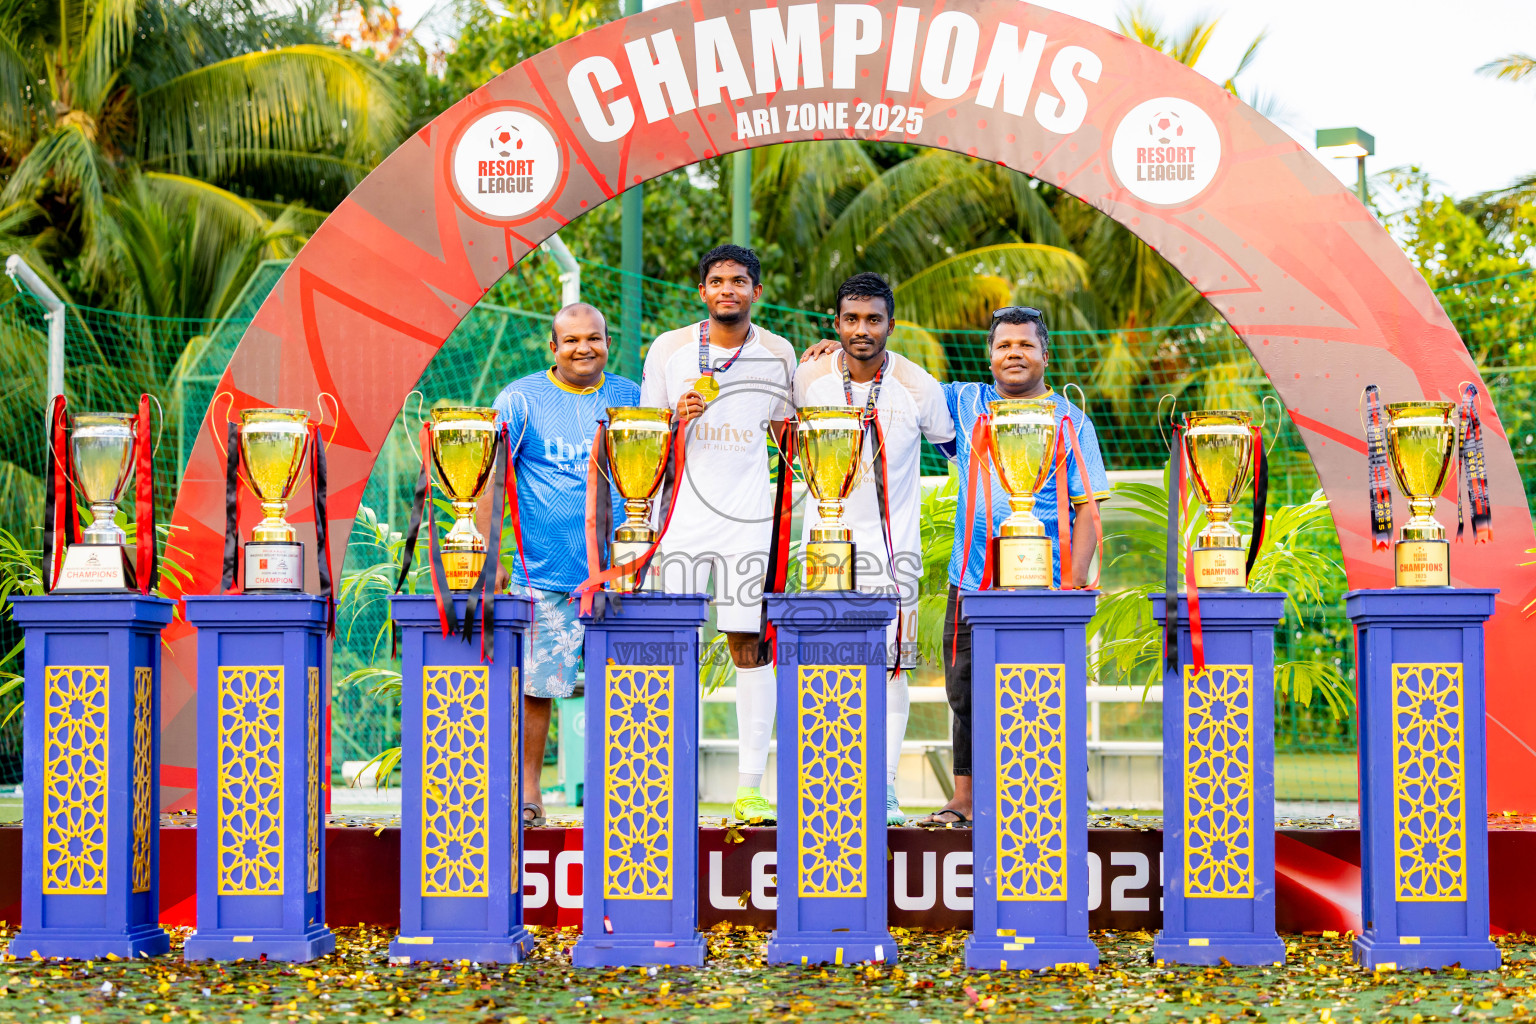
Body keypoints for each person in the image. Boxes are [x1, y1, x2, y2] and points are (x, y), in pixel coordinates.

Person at [929, 306, 1110, 825]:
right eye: (1004, 345)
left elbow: (1088, 511)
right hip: (972, 575)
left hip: (1045, 585)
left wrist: (1073, 587)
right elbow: (899, 379)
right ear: (989, 356)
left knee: (1049, 685)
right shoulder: (965, 402)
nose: (1014, 354)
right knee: (963, 687)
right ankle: (964, 800)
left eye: (1025, 345)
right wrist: (835, 355)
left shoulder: (1071, 420)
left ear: (1045, 356)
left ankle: (1059, 796)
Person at [639, 244, 796, 824]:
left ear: (757, 290)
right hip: (676, 519)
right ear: (701, 291)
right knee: (665, 646)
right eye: (716, 280)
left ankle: (750, 787)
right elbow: (646, 435)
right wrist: (675, 417)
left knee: (746, 648)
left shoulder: (779, 352)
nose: (727, 289)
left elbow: (790, 432)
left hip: (748, 522)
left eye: (739, 280)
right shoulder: (669, 349)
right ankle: (657, 781)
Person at [793, 272, 956, 824]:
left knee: (890, 671)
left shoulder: (919, 387)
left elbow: (958, 456)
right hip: (825, 556)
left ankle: (883, 787)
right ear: (835, 324)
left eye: (873, 319)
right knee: (823, 668)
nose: (861, 330)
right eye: (851, 319)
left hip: (895, 558)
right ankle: (826, 785)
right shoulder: (810, 384)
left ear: (890, 324)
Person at [493, 302, 639, 827]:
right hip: (544, 574)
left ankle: (625, 797)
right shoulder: (520, 400)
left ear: (606, 342)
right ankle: (529, 793)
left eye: (594, 338)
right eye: (572, 340)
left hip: (620, 574)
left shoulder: (629, 397)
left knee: (628, 688)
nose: (584, 348)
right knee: (537, 687)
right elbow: (488, 474)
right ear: (552, 347)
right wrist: (491, 551)